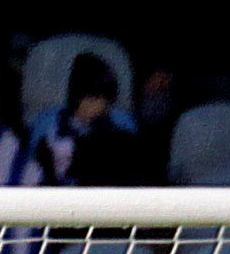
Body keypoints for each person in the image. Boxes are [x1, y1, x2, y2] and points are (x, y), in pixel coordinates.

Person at [33, 52, 146, 187]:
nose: (95, 106)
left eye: (102, 100)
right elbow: (34, 170)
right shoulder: (48, 124)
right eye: (90, 99)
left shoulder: (122, 127)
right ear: (76, 95)